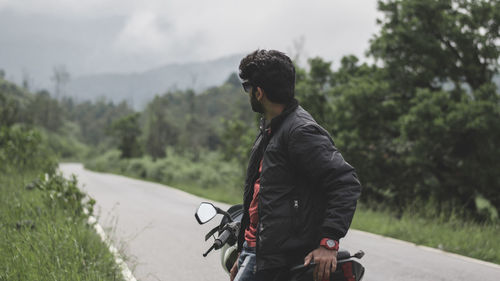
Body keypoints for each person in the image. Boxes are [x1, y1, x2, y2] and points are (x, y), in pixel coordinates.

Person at [230, 49, 362, 281]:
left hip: (280, 259)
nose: (248, 94)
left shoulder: (299, 131)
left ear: (259, 92)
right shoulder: (272, 129)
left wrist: (329, 241)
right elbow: (260, 199)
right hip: (258, 253)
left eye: (248, 88)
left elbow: (345, 183)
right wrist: (244, 253)